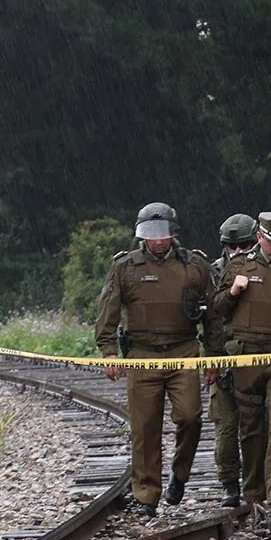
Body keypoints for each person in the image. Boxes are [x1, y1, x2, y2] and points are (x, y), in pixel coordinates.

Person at [96, 202, 215, 516]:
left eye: (162, 233)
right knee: (145, 427)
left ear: (173, 233)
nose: (158, 240)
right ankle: (146, 495)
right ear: (141, 235)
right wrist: (108, 351)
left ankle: (180, 472)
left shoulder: (195, 266)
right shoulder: (125, 267)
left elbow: (214, 316)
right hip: (142, 355)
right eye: (151, 234)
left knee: (190, 418)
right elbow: (107, 311)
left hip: (184, 352)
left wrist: (215, 355)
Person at [207, 212, 271, 512]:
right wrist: (233, 292)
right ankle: (253, 494)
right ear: (260, 238)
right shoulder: (238, 265)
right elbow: (217, 309)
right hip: (245, 357)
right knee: (250, 428)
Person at [207, 213, 258, 507]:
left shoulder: (267, 270)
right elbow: (208, 319)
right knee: (226, 426)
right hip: (224, 358)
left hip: (256, 358)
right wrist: (210, 359)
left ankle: (256, 484)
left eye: (246, 246)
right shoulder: (213, 272)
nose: (238, 253)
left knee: (256, 427)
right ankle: (229, 483)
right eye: (232, 247)